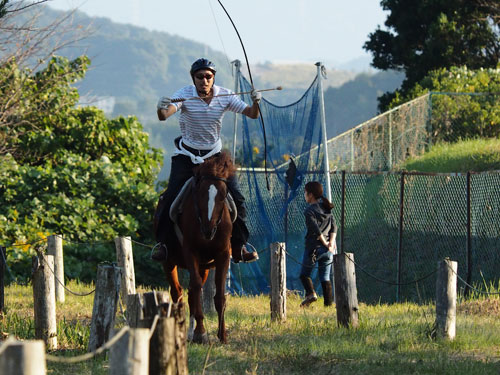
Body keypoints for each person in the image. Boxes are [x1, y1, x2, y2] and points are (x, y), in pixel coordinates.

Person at [152, 58, 260, 263]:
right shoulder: (184, 95)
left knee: (237, 198)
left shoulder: (225, 95)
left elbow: (252, 114)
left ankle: (239, 246)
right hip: (187, 156)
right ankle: (164, 245)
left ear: (213, 78)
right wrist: (161, 108)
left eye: (208, 77)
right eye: (200, 77)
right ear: (193, 79)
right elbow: (164, 115)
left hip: (215, 159)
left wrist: (256, 102)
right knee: (170, 197)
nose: (204, 81)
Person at [299, 181, 337, 307]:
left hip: (313, 248)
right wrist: (330, 243)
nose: (304, 195)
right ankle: (328, 305)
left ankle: (311, 294)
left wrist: (324, 242)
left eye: (305, 192)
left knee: (304, 275)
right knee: (325, 278)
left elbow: (315, 228)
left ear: (310, 195)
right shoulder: (326, 209)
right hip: (327, 251)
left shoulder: (309, 211)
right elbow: (334, 227)